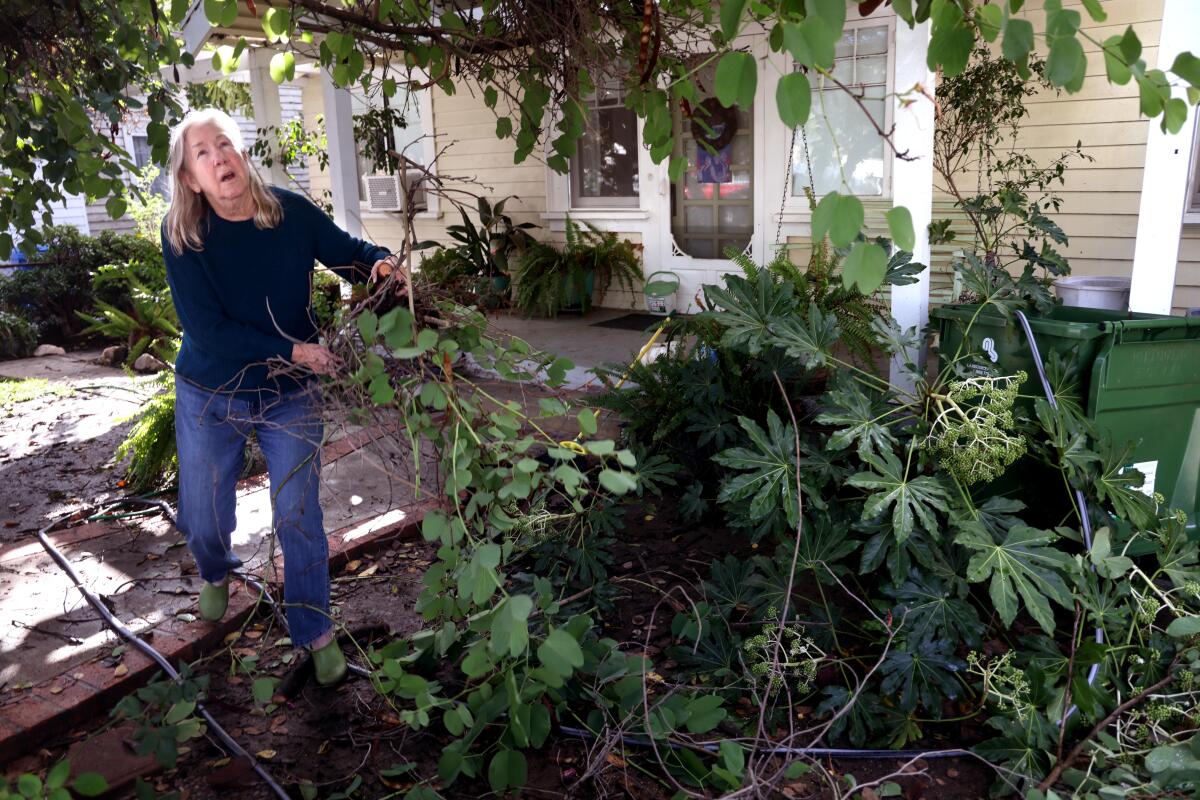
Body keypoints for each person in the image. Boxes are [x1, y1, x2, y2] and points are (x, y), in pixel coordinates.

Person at [161, 107, 405, 685]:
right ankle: (215, 570)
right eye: (203, 152)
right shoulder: (183, 236)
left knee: (297, 512)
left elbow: (347, 252)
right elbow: (208, 332)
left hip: (288, 394)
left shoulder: (289, 214)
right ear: (191, 177)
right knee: (202, 512)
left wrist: (379, 265)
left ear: (241, 153)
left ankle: (315, 631)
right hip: (210, 389)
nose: (219, 156)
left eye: (225, 144)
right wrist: (295, 350)